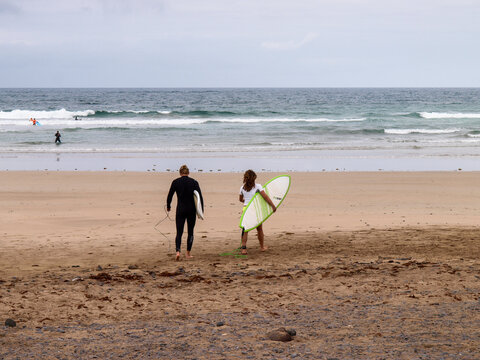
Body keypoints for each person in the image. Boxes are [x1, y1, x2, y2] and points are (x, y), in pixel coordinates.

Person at [166, 165, 204, 261]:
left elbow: (170, 195)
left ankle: (178, 252)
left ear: (180, 173)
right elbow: (200, 197)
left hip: (180, 210)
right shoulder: (194, 182)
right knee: (190, 232)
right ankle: (188, 253)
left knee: (179, 232)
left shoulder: (175, 182)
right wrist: (201, 211)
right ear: (188, 173)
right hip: (191, 210)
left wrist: (168, 206)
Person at [239, 169, 276, 255]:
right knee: (259, 229)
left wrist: (247, 202)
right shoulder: (258, 187)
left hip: (246, 210)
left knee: (245, 230)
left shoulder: (242, 188)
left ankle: (244, 249)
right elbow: (265, 197)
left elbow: (240, 199)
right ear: (254, 178)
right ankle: (262, 247)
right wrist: (273, 206)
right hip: (255, 210)